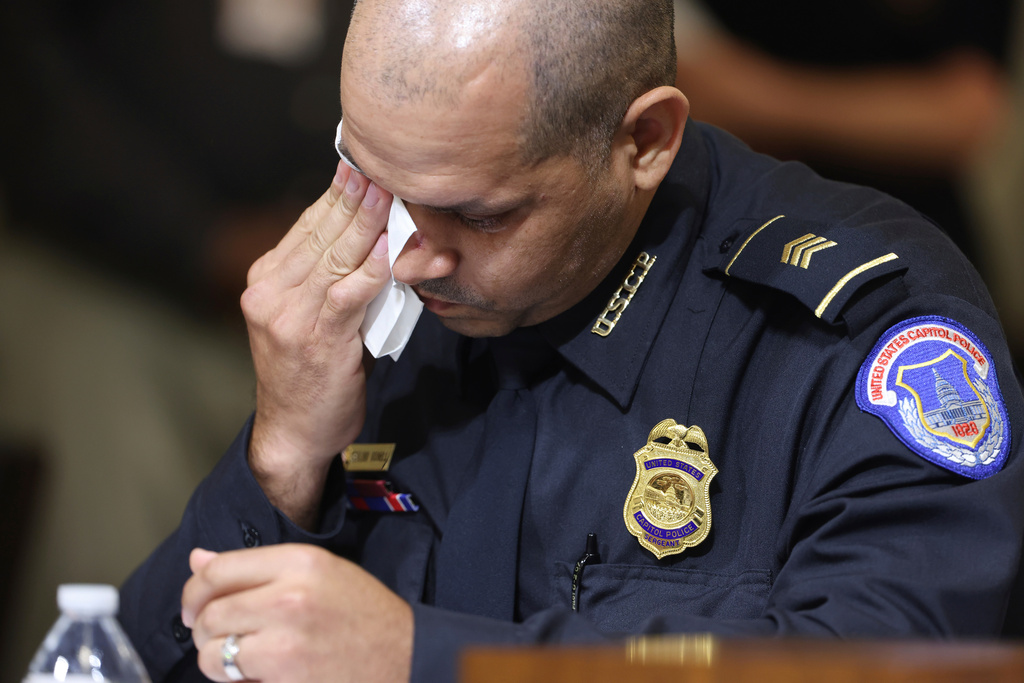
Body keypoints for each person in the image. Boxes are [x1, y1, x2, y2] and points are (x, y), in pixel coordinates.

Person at [119, 0, 1024, 682]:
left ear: (645, 140)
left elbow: (883, 667)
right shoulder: (385, 312)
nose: (408, 257)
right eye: (367, 181)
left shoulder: (860, 338)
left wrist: (424, 657)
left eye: (479, 213)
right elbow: (115, 660)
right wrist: (282, 456)